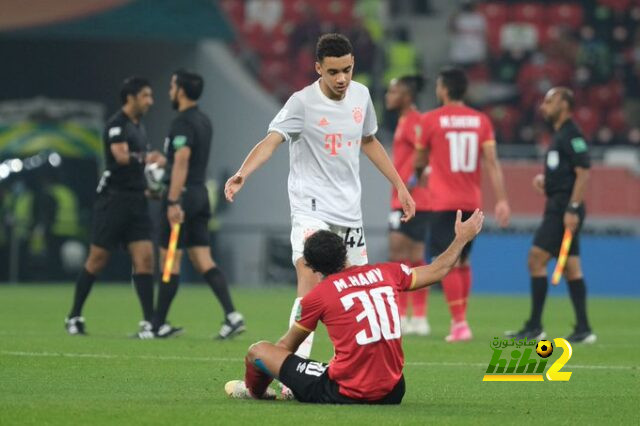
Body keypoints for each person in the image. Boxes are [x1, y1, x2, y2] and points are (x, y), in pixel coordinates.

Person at [224, 34, 415, 366]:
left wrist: (399, 184)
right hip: (310, 207)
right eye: (333, 72)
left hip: (349, 211)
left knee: (359, 287)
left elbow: (368, 141)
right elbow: (272, 141)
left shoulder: (362, 95)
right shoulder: (301, 102)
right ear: (318, 69)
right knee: (310, 282)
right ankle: (293, 366)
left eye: (347, 70)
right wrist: (243, 172)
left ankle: (357, 363)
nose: (342, 79)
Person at [225, 209, 484, 403]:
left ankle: (255, 393)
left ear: (314, 268)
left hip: (347, 391)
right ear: (345, 251)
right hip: (394, 391)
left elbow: (285, 348)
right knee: (338, 360)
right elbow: (438, 270)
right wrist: (461, 239)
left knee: (258, 351)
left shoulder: (319, 295)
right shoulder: (387, 272)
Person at [146, 70, 244, 339]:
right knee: (203, 258)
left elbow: (183, 160)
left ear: (181, 90)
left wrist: (173, 199)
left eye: (172, 85)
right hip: (200, 194)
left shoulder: (182, 123)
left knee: (170, 260)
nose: (169, 91)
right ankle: (232, 316)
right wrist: (164, 159)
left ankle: (157, 325)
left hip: (184, 197)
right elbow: (183, 159)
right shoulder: (203, 120)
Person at [416, 67, 510, 342]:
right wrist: (502, 199)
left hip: (443, 203)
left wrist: (423, 176)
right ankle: (461, 320)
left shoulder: (430, 120)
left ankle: (459, 323)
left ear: (443, 89)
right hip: (472, 202)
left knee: (447, 262)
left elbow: (420, 162)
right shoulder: (481, 121)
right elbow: (492, 162)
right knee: (464, 260)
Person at [65, 77, 156, 337]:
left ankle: (149, 323)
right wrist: (148, 157)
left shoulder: (139, 126)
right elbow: (120, 157)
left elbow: (136, 169)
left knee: (145, 259)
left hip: (136, 200)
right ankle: (74, 316)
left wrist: (149, 189)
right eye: (146, 96)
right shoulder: (117, 125)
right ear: (131, 97)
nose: (150, 101)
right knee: (97, 260)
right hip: (113, 201)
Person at [507, 87, 595, 344]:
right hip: (559, 202)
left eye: (550, 101)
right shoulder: (559, 135)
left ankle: (535, 327)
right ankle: (584, 328)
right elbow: (567, 174)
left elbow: (583, 172)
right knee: (571, 267)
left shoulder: (572, 134)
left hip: (562, 209)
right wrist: (546, 181)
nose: (544, 106)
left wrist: (573, 208)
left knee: (536, 259)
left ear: (565, 104)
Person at [385, 75, 431, 336]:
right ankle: (406, 317)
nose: (389, 96)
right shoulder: (405, 121)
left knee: (404, 255)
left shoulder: (415, 121)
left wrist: (410, 186)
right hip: (406, 198)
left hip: (410, 199)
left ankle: (415, 316)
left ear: (407, 96)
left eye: (394, 92)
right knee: (407, 256)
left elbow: (425, 156)